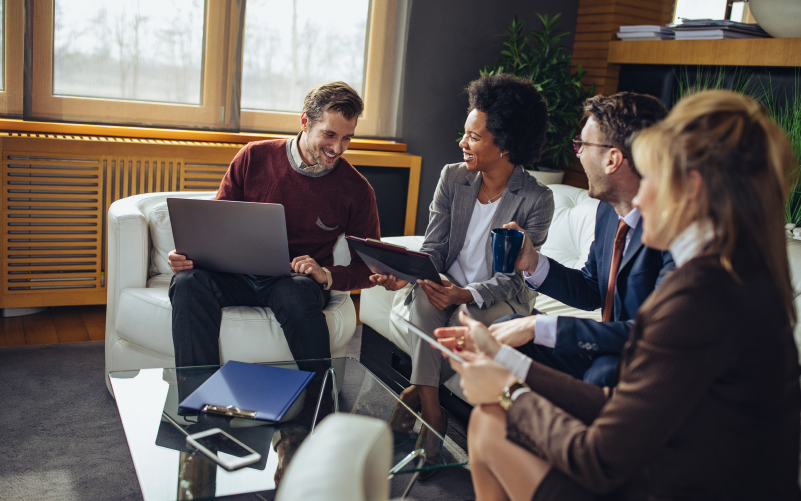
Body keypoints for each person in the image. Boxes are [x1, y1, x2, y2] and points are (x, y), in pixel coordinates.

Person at [436, 90, 801, 500]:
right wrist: (503, 359)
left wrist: (507, 388)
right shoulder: (732, 271)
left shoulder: (703, 294)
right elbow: (615, 390)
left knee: (491, 424)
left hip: (678, 480)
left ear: (691, 189)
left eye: (654, 180)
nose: (641, 198)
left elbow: (601, 458)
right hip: (673, 458)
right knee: (492, 419)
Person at [371, 73, 554, 462]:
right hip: (447, 281)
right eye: (465, 133)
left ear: (504, 144)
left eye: (473, 136)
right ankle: (434, 416)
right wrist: (410, 274)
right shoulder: (453, 177)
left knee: (464, 315)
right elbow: (434, 247)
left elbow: (514, 277)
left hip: (499, 297)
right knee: (423, 298)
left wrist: (466, 294)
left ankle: (413, 396)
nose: (462, 142)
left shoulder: (537, 199)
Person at [168, 81, 380, 368]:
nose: (337, 148)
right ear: (305, 121)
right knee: (187, 283)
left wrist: (326, 274)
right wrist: (189, 256)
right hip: (237, 276)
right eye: (329, 135)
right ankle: (199, 403)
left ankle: (321, 403)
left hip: (294, 283)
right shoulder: (253, 157)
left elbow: (370, 267)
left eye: (347, 139)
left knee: (295, 293)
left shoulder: (356, 189)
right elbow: (215, 227)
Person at [491, 92, 674, 387]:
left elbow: (653, 335)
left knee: (602, 375)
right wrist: (533, 262)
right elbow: (591, 289)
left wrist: (541, 325)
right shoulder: (608, 211)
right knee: (503, 331)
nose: (577, 153)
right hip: (605, 344)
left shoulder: (672, 229)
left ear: (612, 159)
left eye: (582, 145)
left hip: (648, 358)